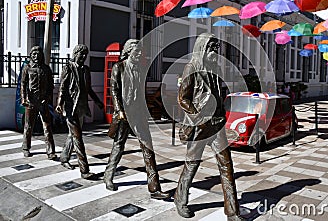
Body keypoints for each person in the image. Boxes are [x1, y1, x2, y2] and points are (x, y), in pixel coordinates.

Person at [175, 33, 243, 220]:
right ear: (202, 47)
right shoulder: (192, 67)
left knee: (227, 166)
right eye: (211, 46)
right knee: (192, 164)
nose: (215, 50)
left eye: (216, 47)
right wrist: (198, 116)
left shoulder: (215, 68)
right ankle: (180, 199)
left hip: (217, 125)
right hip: (200, 125)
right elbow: (182, 99)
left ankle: (232, 211)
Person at [103, 39, 170, 200]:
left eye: (140, 51)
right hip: (125, 114)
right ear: (128, 51)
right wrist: (119, 111)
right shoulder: (119, 67)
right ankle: (108, 175)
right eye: (136, 50)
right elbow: (114, 90)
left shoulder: (141, 69)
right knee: (118, 146)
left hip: (139, 114)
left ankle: (154, 188)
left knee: (148, 148)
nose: (139, 53)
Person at [55, 44, 104, 180]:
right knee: (78, 138)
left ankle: (64, 158)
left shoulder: (86, 70)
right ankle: (84, 170)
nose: (83, 57)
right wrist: (59, 103)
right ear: (75, 54)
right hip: (71, 107)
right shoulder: (68, 68)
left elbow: (88, 89)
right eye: (81, 54)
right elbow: (63, 87)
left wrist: (97, 101)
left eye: (85, 55)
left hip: (81, 107)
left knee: (73, 135)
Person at [20, 46, 56, 159]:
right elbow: (23, 84)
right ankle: (26, 148)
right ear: (31, 56)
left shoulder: (46, 69)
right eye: (34, 54)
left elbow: (51, 86)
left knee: (47, 126)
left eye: (38, 54)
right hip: (31, 101)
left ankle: (50, 151)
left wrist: (48, 97)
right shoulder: (27, 68)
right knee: (28, 126)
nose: (36, 56)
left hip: (43, 101)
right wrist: (23, 98)